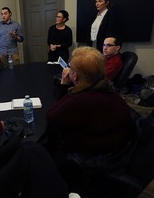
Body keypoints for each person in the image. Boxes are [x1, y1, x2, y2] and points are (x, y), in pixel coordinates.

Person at [45, 47, 136, 177]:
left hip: (95, 155)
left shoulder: (79, 100)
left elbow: (51, 117)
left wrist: (64, 85)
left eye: (71, 68)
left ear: (74, 75)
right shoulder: (108, 88)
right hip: (117, 146)